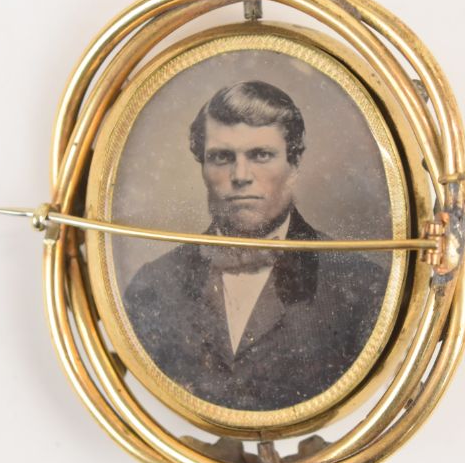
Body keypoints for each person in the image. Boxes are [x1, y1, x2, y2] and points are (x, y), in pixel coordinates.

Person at [124, 81, 388, 411]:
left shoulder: (361, 287)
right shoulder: (153, 286)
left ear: (294, 163)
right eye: (222, 157)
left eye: (261, 155)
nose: (240, 175)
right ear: (202, 166)